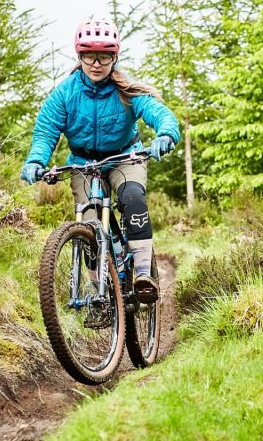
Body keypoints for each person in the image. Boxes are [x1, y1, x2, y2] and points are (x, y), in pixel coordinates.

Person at [20, 19, 179, 304]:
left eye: (104, 55)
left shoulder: (125, 89)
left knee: (132, 197)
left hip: (125, 157)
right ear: (79, 56)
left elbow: (160, 113)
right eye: (89, 55)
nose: (96, 63)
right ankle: (99, 292)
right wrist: (35, 160)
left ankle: (143, 272)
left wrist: (165, 134)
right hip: (83, 162)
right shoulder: (65, 93)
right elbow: (45, 131)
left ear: (114, 56)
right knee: (91, 224)